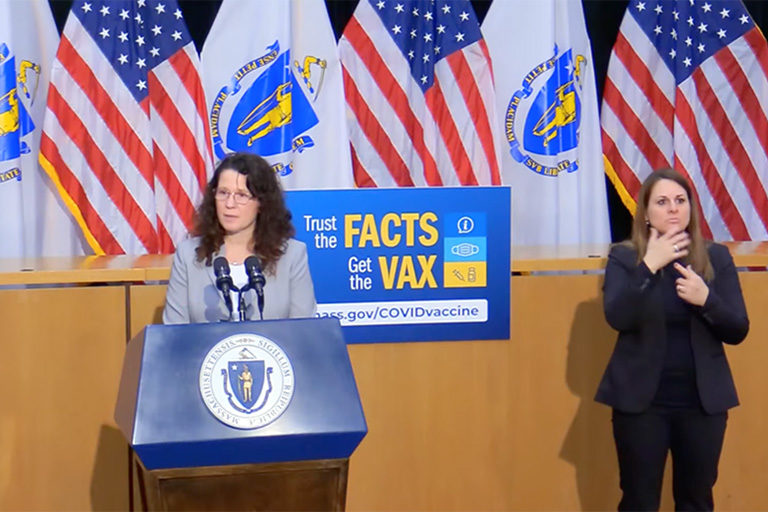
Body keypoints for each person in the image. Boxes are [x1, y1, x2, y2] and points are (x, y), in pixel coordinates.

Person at [595, 168, 749, 510]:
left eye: (680, 201)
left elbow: (738, 329)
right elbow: (617, 316)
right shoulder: (625, 258)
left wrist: (706, 299)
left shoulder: (716, 258)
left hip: (702, 404)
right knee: (639, 500)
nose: (673, 209)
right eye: (662, 202)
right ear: (646, 213)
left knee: (696, 500)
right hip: (641, 404)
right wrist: (650, 265)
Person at [162, 152, 316, 324]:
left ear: (261, 203)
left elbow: (304, 332)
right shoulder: (188, 254)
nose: (229, 204)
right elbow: (174, 332)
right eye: (223, 193)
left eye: (241, 195)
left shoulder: (292, 255)